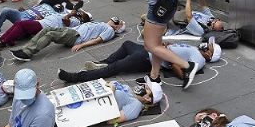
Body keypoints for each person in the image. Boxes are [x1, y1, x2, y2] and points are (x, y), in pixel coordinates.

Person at [57, 37, 220, 84]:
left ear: (210, 55)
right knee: (127, 44)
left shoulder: (199, 59)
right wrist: (167, 46)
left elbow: (183, 70)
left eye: (210, 47)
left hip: (148, 59)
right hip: (149, 51)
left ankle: (75, 77)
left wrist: (168, 60)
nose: (207, 45)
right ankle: (104, 62)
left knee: (114, 69)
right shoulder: (195, 50)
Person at [11, 18, 125, 61]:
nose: (112, 20)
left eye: (116, 22)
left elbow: (98, 40)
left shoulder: (110, 30)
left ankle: (27, 53)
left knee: (50, 35)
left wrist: (81, 45)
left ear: (117, 27)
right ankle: (25, 49)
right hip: (72, 30)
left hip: (76, 36)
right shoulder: (102, 23)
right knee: (47, 30)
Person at [0, 10, 86, 47]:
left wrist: (71, 14)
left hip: (43, 27)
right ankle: (3, 38)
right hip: (42, 23)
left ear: (81, 18)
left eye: (80, 14)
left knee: (21, 24)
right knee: (18, 23)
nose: (78, 12)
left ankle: (5, 41)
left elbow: (65, 20)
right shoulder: (69, 15)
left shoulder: (76, 21)